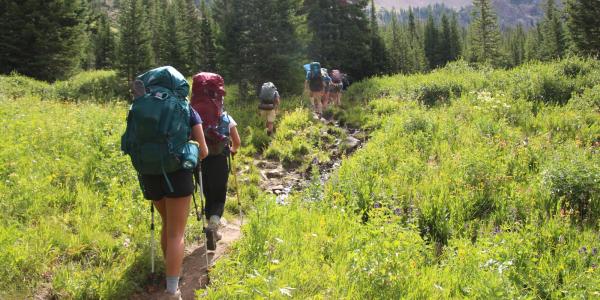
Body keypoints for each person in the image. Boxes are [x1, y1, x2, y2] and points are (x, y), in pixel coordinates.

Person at [123, 66, 209, 300]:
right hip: (177, 173)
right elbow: (203, 151)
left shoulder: (139, 106)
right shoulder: (186, 109)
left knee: (166, 224)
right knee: (176, 232)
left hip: (149, 173)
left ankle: (170, 274)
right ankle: (173, 290)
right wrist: (190, 147)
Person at [190, 72, 242, 251]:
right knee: (220, 196)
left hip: (199, 161)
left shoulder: (192, 114)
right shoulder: (225, 116)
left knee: (207, 194)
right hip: (220, 160)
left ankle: (210, 225)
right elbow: (237, 142)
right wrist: (233, 151)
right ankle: (214, 225)